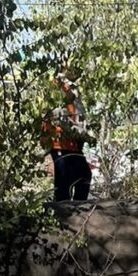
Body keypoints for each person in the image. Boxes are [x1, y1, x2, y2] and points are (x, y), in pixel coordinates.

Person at [41, 70, 92, 202]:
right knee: (63, 183)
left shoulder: (75, 93)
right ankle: (62, 214)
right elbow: (46, 122)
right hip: (59, 146)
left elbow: (78, 119)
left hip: (74, 146)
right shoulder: (58, 90)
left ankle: (79, 210)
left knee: (84, 176)